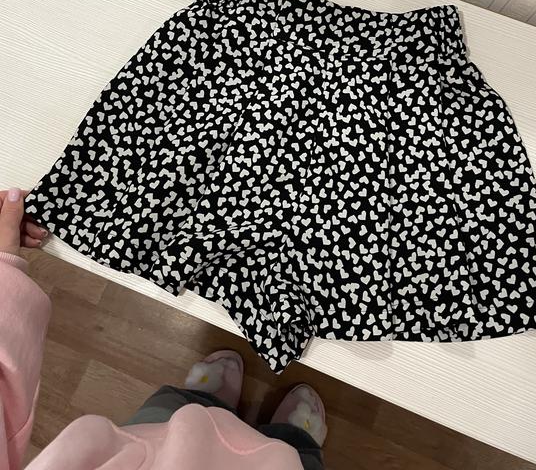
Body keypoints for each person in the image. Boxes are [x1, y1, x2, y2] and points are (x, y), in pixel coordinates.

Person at [0, 187, 327, 469]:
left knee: (173, 415)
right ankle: (296, 439)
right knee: (294, 456)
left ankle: (201, 400)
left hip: (143, 449)